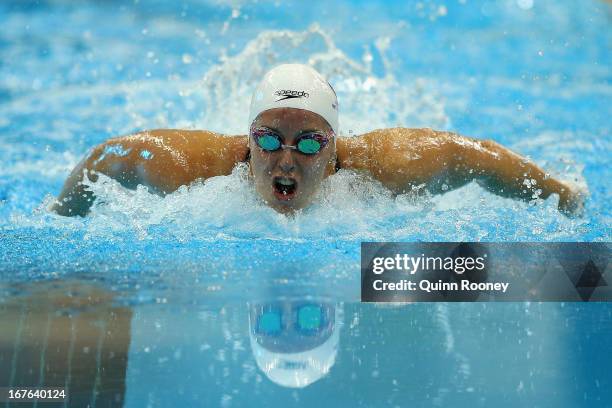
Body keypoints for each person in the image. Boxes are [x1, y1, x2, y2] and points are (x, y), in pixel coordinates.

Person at [52, 64, 583, 217]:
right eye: (269, 140)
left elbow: (471, 157)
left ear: (333, 148)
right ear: (248, 137)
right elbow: (108, 157)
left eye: (308, 144)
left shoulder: (387, 165)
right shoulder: (189, 168)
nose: (286, 160)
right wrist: (61, 214)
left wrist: (564, 196)